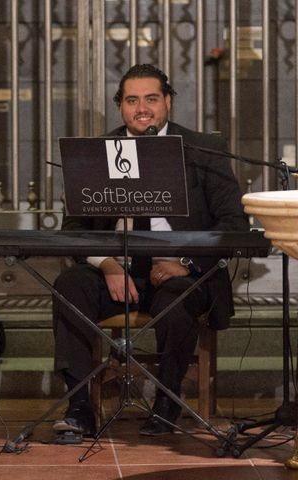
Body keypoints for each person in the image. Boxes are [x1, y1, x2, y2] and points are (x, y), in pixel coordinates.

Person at [52, 64, 248, 437]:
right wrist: (107, 264)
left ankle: (166, 402)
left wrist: (186, 263)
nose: (143, 108)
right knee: (70, 285)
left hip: (182, 275)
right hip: (117, 273)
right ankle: (78, 408)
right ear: (121, 107)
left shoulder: (203, 150)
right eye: (132, 100)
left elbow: (232, 225)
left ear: (168, 102)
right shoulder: (97, 152)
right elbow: (73, 229)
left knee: (178, 296)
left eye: (151, 99)